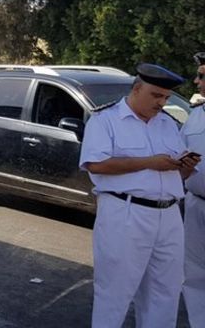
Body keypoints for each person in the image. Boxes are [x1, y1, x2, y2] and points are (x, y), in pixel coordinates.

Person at [79, 63, 200, 327]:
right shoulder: (106, 120)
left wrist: (185, 169)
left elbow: (174, 174)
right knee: (115, 292)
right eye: (156, 96)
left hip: (168, 215)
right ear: (137, 89)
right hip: (126, 213)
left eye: (166, 98)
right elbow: (95, 165)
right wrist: (149, 162)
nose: (161, 103)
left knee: (164, 293)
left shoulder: (167, 124)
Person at [183, 55, 205, 327]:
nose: (197, 81)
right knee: (195, 273)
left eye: (202, 76)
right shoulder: (196, 116)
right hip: (196, 205)